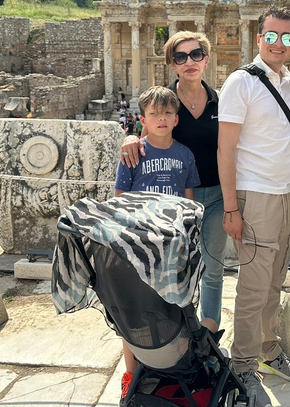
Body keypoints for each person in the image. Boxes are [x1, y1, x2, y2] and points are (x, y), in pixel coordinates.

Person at [218, 5, 290, 407]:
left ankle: (269, 350)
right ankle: (242, 367)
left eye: (287, 38)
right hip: (252, 196)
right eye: (271, 36)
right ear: (259, 38)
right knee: (253, 289)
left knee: (274, 283)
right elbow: (227, 148)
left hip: (284, 195)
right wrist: (231, 209)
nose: (279, 44)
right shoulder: (242, 82)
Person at [120, 31, 230, 330]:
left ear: (206, 60)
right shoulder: (166, 100)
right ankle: (172, 330)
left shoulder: (221, 102)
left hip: (218, 196)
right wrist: (131, 136)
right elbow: (149, 136)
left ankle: (209, 334)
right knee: (173, 265)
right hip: (175, 198)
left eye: (196, 55)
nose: (189, 61)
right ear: (173, 64)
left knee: (213, 269)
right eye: (181, 57)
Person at [115, 85, 207, 400]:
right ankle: (130, 373)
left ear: (176, 119)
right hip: (140, 246)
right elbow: (119, 202)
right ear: (143, 119)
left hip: (172, 248)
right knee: (132, 313)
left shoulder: (184, 155)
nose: (162, 118)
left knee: (173, 308)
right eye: (154, 114)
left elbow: (190, 202)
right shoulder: (133, 152)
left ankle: (169, 369)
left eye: (168, 113)